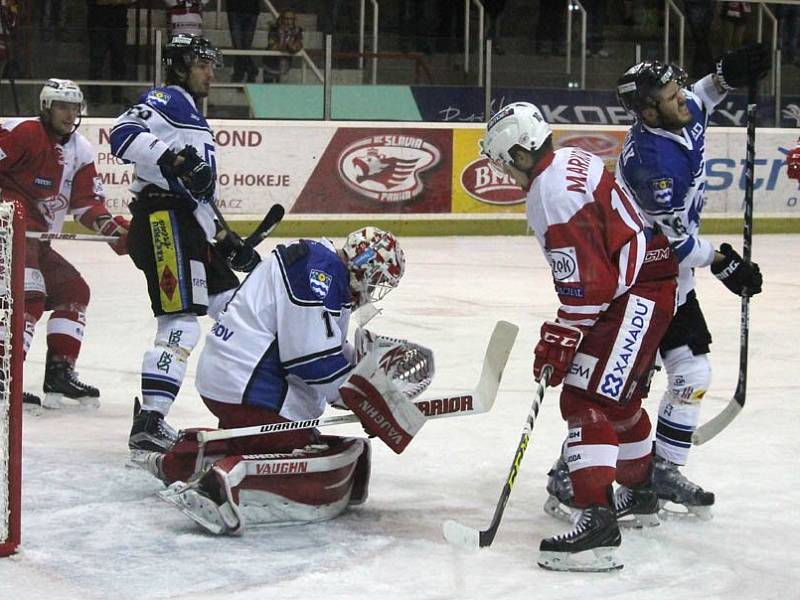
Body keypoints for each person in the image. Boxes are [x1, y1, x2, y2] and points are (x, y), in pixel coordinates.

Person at [480, 102, 679, 571]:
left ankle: (597, 528)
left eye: (503, 159)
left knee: (584, 401)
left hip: (635, 293)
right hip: (646, 284)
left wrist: (562, 335)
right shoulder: (572, 159)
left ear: (519, 152)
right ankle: (641, 495)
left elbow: (592, 285)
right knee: (622, 404)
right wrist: (568, 329)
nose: (503, 169)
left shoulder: (551, 192)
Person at [132, 228, 428, 536]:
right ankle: (216, 486)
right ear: (365, 264)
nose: (372, 289)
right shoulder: (320, 273)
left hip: (236, 375)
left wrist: (362, 373)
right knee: (298, 450)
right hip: (248, 384)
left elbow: (322, 343)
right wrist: (364, 398)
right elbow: (310, 359)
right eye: (376, 280)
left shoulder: (324, 268)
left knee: (276, 438)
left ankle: (176, 461)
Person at [608, 47, 767, 517]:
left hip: (670, 278)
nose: (685, 100)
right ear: (649, 111)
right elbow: (678, 244)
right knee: (622, 385)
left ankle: (663, 470)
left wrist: (725, 76)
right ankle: (568, 475)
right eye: (672, 96)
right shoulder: (652, 164)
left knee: (692, 373)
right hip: (637, 280)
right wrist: (724, 263)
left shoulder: (678, 110)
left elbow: (702, 94)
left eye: (679, 91)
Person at [109, 33, 260, 454]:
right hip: (163, 222)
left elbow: (195, 188)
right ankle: (151, 419)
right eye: (201, 64)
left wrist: (224, 235)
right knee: (180, 324)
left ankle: (254, 408)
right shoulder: (166, 99)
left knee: (239, 309)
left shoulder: (191, 114)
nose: (210, 72)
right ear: (178, 66)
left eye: (211, 64)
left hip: (186, 225)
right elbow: (121, 133)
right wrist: (171, 159)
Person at [0, 78, 129, 408]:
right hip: (8, 234)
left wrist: (113, 230)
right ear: (46, 107)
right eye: (62, 106)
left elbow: (86, 202)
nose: (70, 114)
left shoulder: (80, 149)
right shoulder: (24, 132)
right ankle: (4, 379)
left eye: (74, 107)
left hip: (35, 241)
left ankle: (59, 373)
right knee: (30, 297)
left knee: (73, 292)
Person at [87, 0, 134, 106]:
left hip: (118, 18)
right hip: (99, 18)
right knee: (97, 59)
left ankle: (117, 96)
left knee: (119, 60)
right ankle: (94, 97)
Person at [262, 11, 303, 84]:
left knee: (282, 91)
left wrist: (292, 46)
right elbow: (273, 47)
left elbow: (297, 46)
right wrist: (287, 44)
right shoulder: (274, 30)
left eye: (291, 19)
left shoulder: (297, 32)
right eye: (286, 18)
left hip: (284, 66)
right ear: (282, 19)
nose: (288, 21)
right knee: (267, 91)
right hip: (270, 65)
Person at [225, 0, 260, 83]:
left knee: (246, 46)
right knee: (238, 46)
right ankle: (250, 69)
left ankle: (239, 74)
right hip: (235, 9)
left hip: (251, 9)